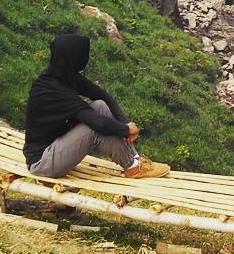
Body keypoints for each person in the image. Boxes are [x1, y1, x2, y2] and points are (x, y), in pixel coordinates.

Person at [23, 33, 170, 179]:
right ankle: (132, 167)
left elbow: (103, 96)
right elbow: (98, 123)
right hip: (42, 162)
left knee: (100, 106)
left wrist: (124, 123)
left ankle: (136, 159)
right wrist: (125, 129)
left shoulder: (63, 75)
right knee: (93, 128)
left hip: (57, 146)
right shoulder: (51, 90)